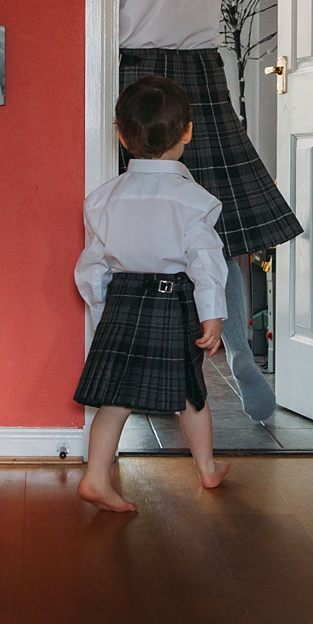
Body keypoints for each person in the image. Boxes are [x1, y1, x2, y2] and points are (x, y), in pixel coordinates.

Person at [116, 0, 299, 424]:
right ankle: (241, 354)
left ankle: (148, 368)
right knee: (219, 224)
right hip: (202, 76)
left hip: (136, 75)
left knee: (136, 224)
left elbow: (106, 17)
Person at [74, 75, 229, 511]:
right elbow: (206, 264)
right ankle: (207, 467)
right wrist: (211, 313)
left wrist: (103, 311)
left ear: (121, 136)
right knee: (190, 390)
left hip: (121, 299)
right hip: (172, 300)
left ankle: (95, 477)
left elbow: (91, 267)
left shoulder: (102, 200)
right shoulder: (195, 201)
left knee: (116, 396)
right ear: (187, 132)